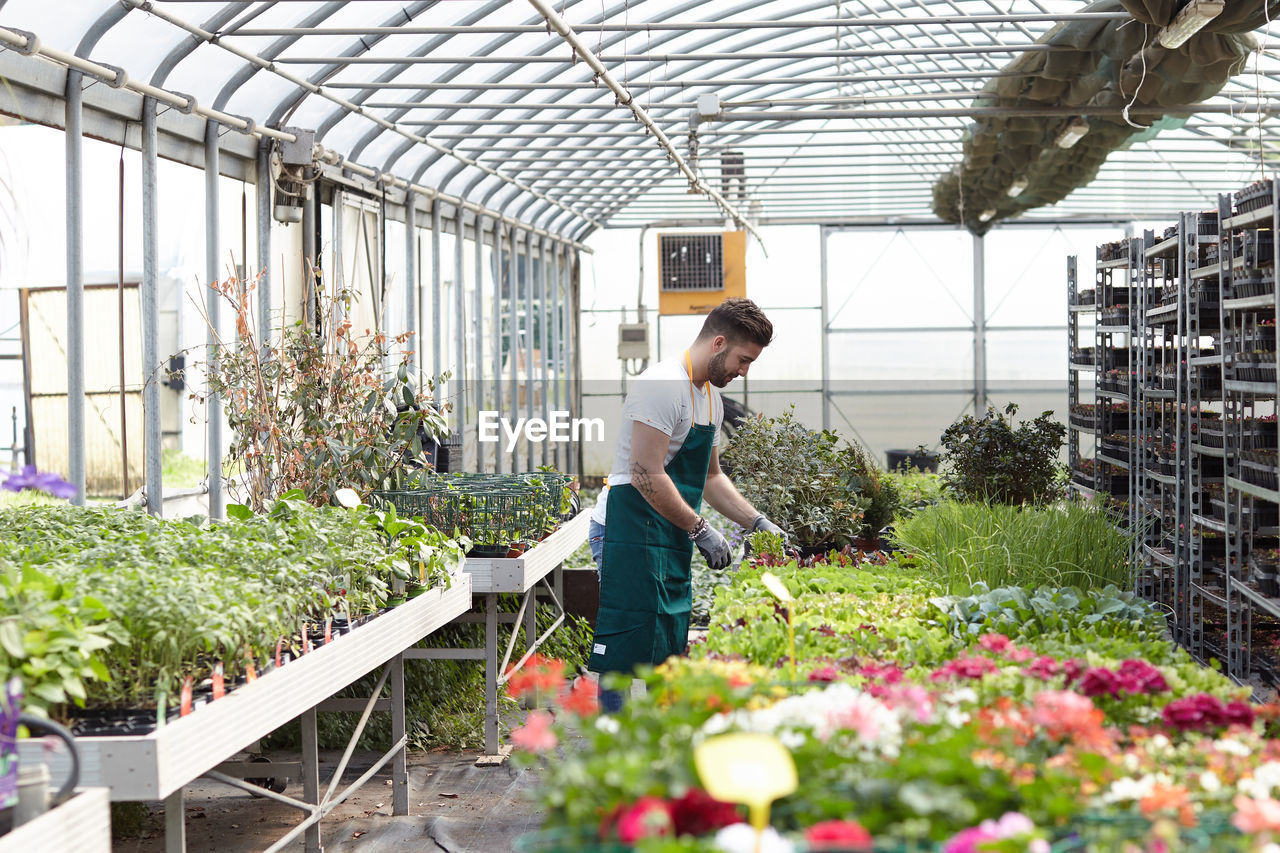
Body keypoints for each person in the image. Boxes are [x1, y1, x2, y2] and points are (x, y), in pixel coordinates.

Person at [587, 297, 789, 709]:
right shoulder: (663, 384)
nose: (744, 371)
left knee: (665, 642)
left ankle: (651, 736)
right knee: (627, 646)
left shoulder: (710, 398)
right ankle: (614, 744)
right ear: (718, 343)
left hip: (668, 530)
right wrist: (700, 529)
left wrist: (757, 522)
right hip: (626, 530)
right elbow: (645, 473)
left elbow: (711, 477)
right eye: (743, 359)